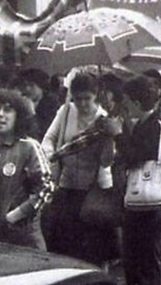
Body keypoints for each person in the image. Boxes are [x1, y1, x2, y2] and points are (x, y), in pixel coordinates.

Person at [40, 72, 117, 265]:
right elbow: (48, 138)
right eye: (78, 98)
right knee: (64, 243)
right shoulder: (66, 111)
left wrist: (109, 139)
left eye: (87, 98)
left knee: (92, 247)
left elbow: (107, 161)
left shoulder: (103, 119)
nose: (82, 104)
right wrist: (52, 155)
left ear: (96, 95)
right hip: (66, 185)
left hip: (93, 189)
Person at [0, 88, 52, 248]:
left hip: (22, 239)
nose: (0, 115)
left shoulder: (29, 147)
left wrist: (15, 216)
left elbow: (46, 189)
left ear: (18, 116)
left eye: (7, 110)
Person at [118, 75, 161, 285]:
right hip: (136, 201)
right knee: (133, 263)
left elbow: (137, 157)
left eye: (128, 101)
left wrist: (118, 135)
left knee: (147, 263)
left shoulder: (156, 125)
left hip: (151, 203)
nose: (125, 106)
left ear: (137, 102)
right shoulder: (139, 124)